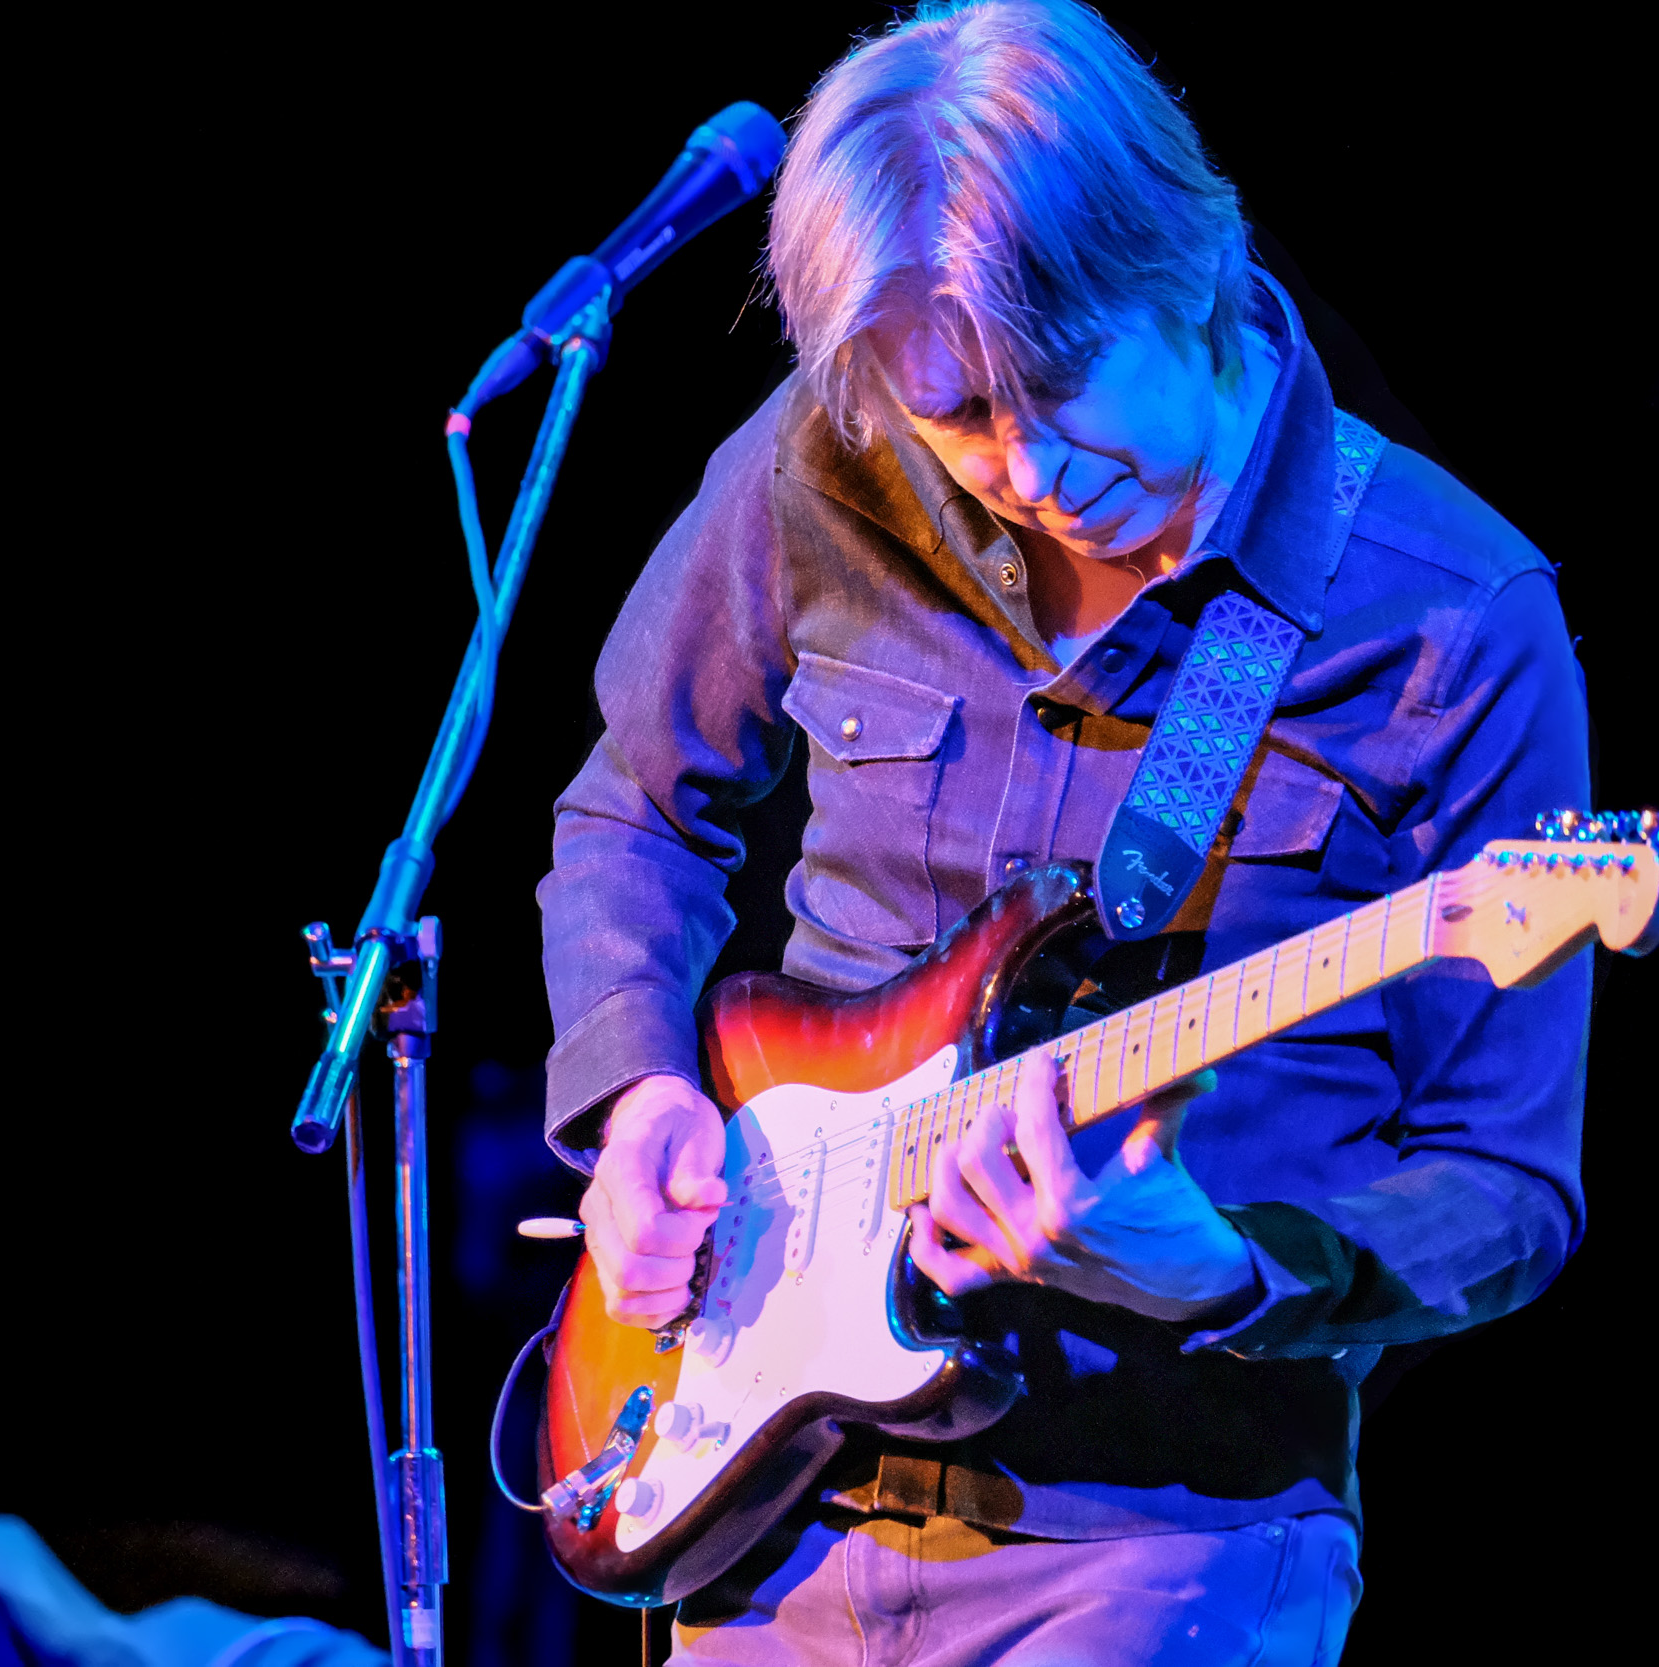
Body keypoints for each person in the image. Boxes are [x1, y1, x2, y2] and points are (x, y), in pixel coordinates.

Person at [538, 4, 1592, 1661]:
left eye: (1063, 388)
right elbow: (633, 807)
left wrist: (1229, 1270)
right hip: (762, 1502)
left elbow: (1508, 1185)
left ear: (1190, 263)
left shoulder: (1450, 620)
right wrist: (640, 1093)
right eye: (961, 418)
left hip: (1162, 1541)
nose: (1028, 468)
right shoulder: (835, 462)